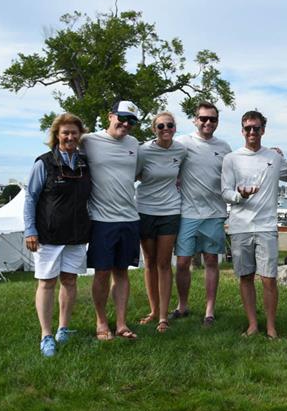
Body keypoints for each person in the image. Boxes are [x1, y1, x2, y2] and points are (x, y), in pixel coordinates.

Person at [23, 113, 92, 356]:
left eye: (74, 132)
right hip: (48, 234)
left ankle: (63, 328)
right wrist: (30, 230)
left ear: (79, 135)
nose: (70, 136)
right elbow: (30, 197)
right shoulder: (44, 162)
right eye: (65, 132)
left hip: (76, 234)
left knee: (70, 281)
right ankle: (46, 335)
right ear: (57, 135)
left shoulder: (84, 163)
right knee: (47, 282)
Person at [221, 110, 287, 338]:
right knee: (246, 277)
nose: (252, 132)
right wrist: (240, 195)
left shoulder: (275, 157)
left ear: (263, 130)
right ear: (242, 131)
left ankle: (270, 326)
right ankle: (252, 324)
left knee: (269, 278)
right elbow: (225, 192)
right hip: (240, 226)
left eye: (256, 128)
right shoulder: (231, 158)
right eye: (247, 128)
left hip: (267, 226)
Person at [81, 100, 142, 340]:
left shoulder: (134, 144)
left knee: (122, 273)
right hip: (101, 220)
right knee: (102, 273)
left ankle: (121, 324)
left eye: (131, 122)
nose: (126, 124)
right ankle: (101, 322)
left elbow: (137, 172)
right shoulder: (89, 141)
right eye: (122, 118)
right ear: (110, 116)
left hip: (130, 218)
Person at [174, 101, 232, 326]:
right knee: (182, 262)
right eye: (204, 118)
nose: (208, 122)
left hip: (215, 213)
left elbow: (234, 173)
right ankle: (182, 305)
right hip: (188, 212)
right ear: (195, 120)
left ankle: (209, 310)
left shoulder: (225, 147)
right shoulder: (182, 143)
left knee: (211, 261)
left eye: (213, 119)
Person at [135, 112, 187, 333]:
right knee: (149, 261)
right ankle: (153, 310)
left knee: (164, 263)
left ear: (175, 128)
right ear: (154, 129)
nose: (166, 128)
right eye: (161, 126)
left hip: (170, 211)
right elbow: (134, 174)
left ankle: (164, 316)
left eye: (170, 125)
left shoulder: (181, 150)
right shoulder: (143, 151)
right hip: (145, 210)